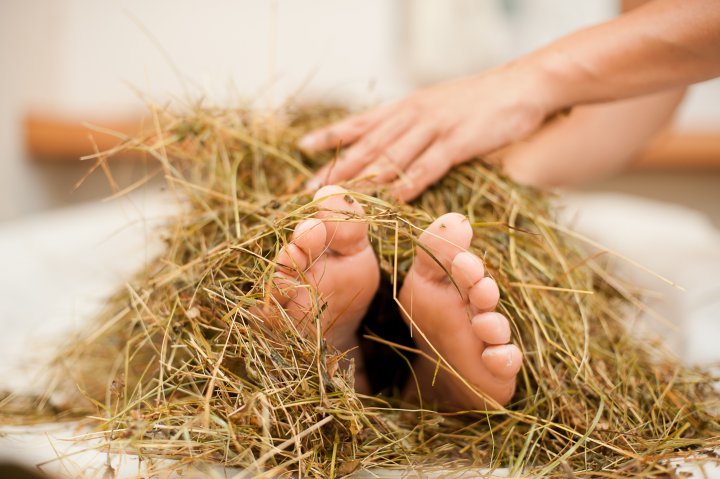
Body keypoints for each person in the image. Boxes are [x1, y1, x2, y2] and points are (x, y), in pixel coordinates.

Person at [267, 0, 720, 411]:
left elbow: (684, 38)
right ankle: (387, 362)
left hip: (531, 138)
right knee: (468, 239)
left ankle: (436, 383)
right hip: (526, 158)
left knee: (486, 249)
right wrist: (503, 174)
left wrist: (528, 85)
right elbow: (656, 71)